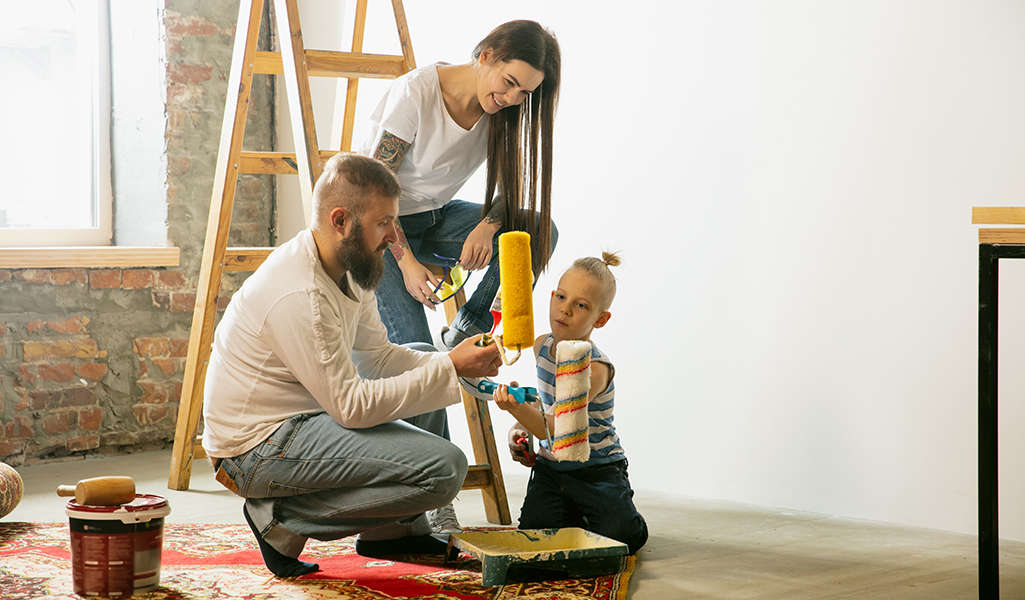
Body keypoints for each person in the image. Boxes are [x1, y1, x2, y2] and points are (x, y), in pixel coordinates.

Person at [201, 153, 502, 578]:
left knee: (421, 353)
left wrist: (451, 363)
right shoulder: (301, 292)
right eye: (384, 223)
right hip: (254, 449)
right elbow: (351, 407)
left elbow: (379, 357)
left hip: (304, 420)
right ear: (340, 221)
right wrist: (449, 366)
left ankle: (395, 532)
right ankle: (279, 522)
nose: (394, 236)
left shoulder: (349, 267)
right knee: (444, 470)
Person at [357, 19, 562, 535]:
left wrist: (489, 226)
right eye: (509, 82)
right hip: (379, 228)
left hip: (436, 219)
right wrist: (405, 262)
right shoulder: (416, 94)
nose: (511, 98)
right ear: (486, 54)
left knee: (539, 230)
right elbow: (372, 194)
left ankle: (465, 329)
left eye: (525, 93)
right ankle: (433, 498)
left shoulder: (502, 113)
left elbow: (511, 187)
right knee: (418, 358)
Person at [492, 252, 648, 555]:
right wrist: (517, 428)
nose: (565, 309)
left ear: (600, 319)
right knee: (535, 538)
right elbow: (546, 404)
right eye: (561, 297)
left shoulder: (595, 369)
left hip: (598, 471)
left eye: (581, 305)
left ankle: (621, 515)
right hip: (551, 470)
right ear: (551, 297)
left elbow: (559, 427)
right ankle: (576, 515)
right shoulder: (541, 346)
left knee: (622, 539)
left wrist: (514, 407)